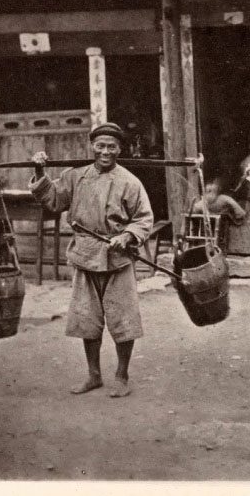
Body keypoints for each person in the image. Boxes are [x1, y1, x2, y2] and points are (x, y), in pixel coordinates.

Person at [29, 122, 153, 398]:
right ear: (92, 147)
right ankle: (94, 375)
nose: (105, 152)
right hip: (85, 255)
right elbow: (53, 200)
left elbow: (144, 219)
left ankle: (121, 375)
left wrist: (128, 236)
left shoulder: (130, 182)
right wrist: (40, 172)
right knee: (87, 319)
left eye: (111, 147)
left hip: (117, 258)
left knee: (123, 320)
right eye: (100, 146)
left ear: (120, 149)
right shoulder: (75, 176)